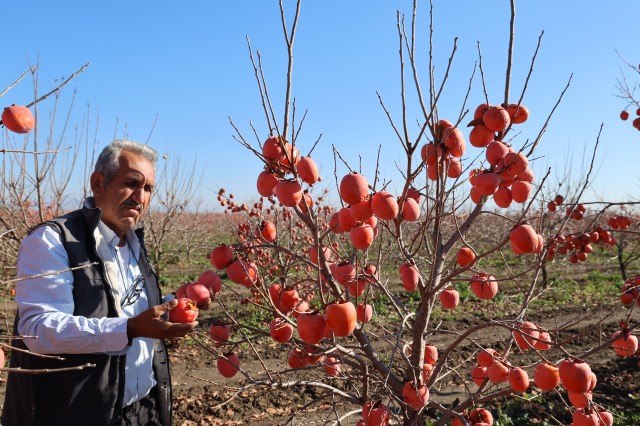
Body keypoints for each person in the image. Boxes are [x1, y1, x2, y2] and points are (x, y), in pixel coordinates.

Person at [1, 140, 208, 426]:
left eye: (148, 189)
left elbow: (128, 307)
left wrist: (178, 302)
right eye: (132, 183)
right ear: (98, 184)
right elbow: (38, 330)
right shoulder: (52, 241)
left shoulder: (134, 243)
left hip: (141, 409)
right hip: (73, 415)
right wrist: (129, 329)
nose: (140, 197)